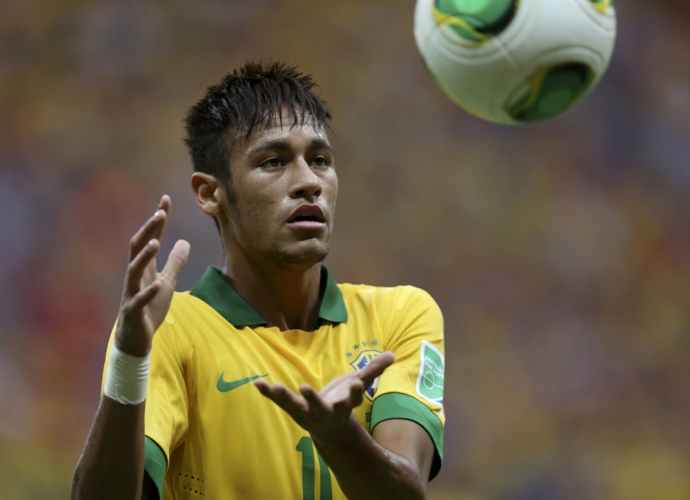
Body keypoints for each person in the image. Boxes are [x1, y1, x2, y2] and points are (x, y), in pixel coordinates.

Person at [71, 61, 445, 500]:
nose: (309, 182)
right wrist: (131, 358)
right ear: (210, 193)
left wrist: (339, 435)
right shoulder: (169, 327)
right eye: (273, 162)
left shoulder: (399, 316)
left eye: (320, 160)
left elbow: (408, 493)